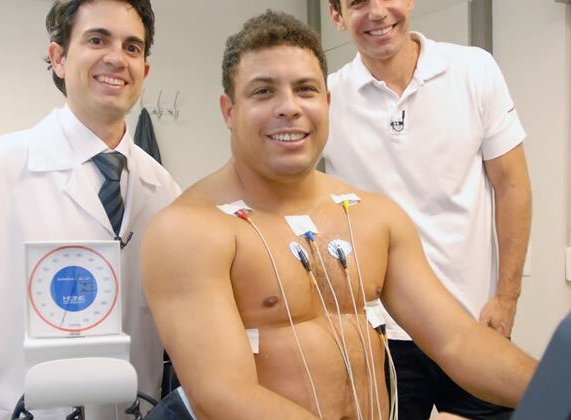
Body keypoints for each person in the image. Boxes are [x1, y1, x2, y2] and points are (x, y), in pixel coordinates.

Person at [140, 10, 536, 420]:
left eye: (305, 90)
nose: (289, 107)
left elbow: (458, 342)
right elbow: (223, 395)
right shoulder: (188, 231)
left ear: (327, 103)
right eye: (263, 91)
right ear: (228, 110)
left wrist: (558, 386)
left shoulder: (374, 219)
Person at [0, 1, 180, 419]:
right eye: (97, 40)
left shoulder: (164, 191)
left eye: (132, 47)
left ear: (144, 70)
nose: (116, 58)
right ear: (59, 58)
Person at [324, 1, 532, 418]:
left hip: (474, 322)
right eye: (358, 2)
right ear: (337, 16)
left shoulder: (473, 70)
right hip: (381, 335)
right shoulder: (326, 98)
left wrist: (506, 297)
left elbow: (512, 186)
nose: (377, 12)